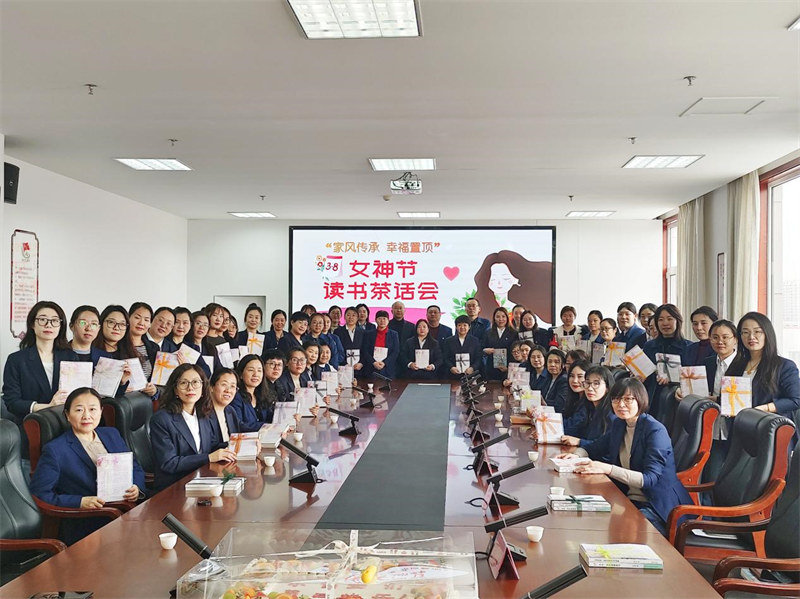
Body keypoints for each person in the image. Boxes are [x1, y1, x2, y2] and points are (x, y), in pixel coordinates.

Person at [557, 378, 692, 537]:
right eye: (616, 399)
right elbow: (595, 447)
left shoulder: (655, 431)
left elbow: (649, 479)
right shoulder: (620, 424)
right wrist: (575, 456)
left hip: (655, 507)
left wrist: (607, 468)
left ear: (640, 400)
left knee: (611, 531)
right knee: (585, 518)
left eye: (628, 399)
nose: (621, 404)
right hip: (626, 498)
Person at [29, 387, 145, 544]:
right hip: (91, 521)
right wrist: (80, 502)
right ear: (67, 415)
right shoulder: (55, 450)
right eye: (79, 410)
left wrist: (137, 487)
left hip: (129, 510)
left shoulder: (111, 434)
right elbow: (39, 493)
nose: (86, 416)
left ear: (101, 411)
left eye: (92, 409)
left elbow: (134, 466)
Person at [149, 364, 235, 491]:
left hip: (203, 479)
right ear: (175, 389)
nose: (190, 388)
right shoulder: (162, 419)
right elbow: (169, 463)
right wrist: (208, 458)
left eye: (195, 382)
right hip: (174, 487)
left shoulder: (203, 415)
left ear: (203, 388)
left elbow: (212, 446)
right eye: (183, 383)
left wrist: (239, 444)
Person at [3, 301, 73, 420]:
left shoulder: (70, 357)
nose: (48, 325)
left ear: (61, 326)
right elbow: (12, 402)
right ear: (32, 324)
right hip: (31, 422)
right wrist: (47, 406)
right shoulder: (16, 360)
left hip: (65, 421)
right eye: (42, 319)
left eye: (55, 320)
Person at [726, 312, 800, 418]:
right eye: (745, 332)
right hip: (739, 423)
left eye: (757, 331)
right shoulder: (736, 364)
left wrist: (764, 408)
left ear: (767, 334)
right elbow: (732, 397)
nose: (751, 337)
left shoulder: (784, 366)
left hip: (767, 423)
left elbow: (795, 400)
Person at [472, 250, 553, 323]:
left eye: (505, 278)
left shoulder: (521, 310)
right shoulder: (479, 308)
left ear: (515, 279)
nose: (499, 283)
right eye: (493, 279)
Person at [642, 304, 692, 390]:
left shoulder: (689, 347)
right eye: (661, 320)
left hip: (677, 394)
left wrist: (673, 379)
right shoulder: (649, 346)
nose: (665, 323)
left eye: (669, 319)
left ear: (678, 321)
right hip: (652, 394)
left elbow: (690, 379)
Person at [560, 365, 615, 443]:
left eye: (596, 384)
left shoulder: (611, 414)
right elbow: (576, 430)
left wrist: (579, 442)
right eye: (587, 383)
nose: (590, 388)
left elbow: (606, 445)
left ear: (607, 388)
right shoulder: (590, 408)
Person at [230, 354, 270, 430]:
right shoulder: (236, 397)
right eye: (251, 370)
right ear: (241, 374)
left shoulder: (261, 395)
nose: (256, 374)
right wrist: (267, 426)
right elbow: (239, 425)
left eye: (259, 370)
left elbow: (270, 416)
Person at [208, 368, 246, 444]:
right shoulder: (204, 413)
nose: (228, 390)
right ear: (211, 387)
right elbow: (210, 446)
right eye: (224, 384)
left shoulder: (230, 411)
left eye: (232, 386)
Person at [127, 302, 159, 384]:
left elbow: (156, 379)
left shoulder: (154, 348)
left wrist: (154, 389)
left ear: (150, 324)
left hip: (146, 391)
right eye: (137, 317)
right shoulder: (117, 345)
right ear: (128, 318)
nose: (141, 323)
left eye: (146, 320)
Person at [363, 310, 400, 379]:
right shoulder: (369, 334)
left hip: (388, 369)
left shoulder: (394, 334)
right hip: (371, 368)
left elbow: (395, 351)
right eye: (379, 318)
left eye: (384, 319)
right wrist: (373, 362)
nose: (382, 321)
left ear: (388, 321)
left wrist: (384, 363)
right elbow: (365, 350)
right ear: (375, 320)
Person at [482, 307, 516, 380]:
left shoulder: (514, 333)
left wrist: (508, 368)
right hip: (491, 368)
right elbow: (482, 347)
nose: (500, 319)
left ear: (507, 318)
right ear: (494, 318)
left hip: (508, 368)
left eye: (503, 316)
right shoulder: (488, 333)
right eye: (498, 317)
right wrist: (485, 350)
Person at [562, 360, 591, 435]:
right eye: (571, 376)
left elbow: (570, 428)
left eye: (580, 376)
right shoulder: (574, 398)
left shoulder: (589, 402)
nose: (575, 381)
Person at [388, 301, 415, 376]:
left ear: (404, 310)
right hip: (390, 360)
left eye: (400, 308)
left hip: (407, 360)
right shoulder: (387, 325)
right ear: (392, 311)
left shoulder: (411, 326)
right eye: (396, 308)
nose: (399, 310)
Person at [335, 307, 365, 372]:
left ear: (357, 318)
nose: (351, 317)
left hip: (359, 368)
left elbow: (365, 350)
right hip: (343, 367)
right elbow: (337, 350)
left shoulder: (363, 332)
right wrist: (344, 364)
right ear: (344, 317)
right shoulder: (338, 331)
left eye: (353, 315)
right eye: (348, 315)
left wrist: (361, 363)